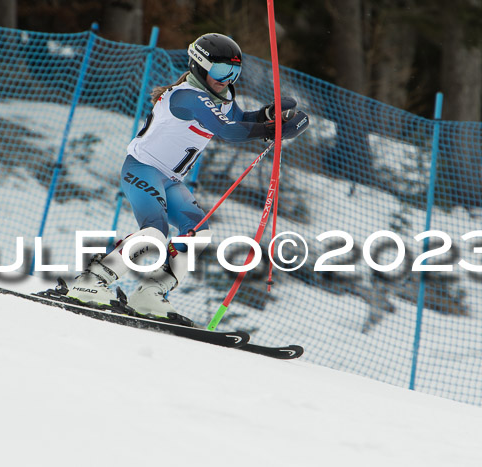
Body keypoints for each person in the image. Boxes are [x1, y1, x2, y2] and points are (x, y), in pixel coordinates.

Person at [65, 33, 309, 324]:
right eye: (221, 71)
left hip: (170, 180)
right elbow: (228, 131)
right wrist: (272, 131)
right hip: (142, 169)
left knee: (198, 235)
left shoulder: (222, 96)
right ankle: (90, 281)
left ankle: (149, 294)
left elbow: (239, 119)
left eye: (234, 72)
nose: (227, 79)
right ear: (199, 66)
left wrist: (268, 116)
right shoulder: (187, 97)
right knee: (155, 232)